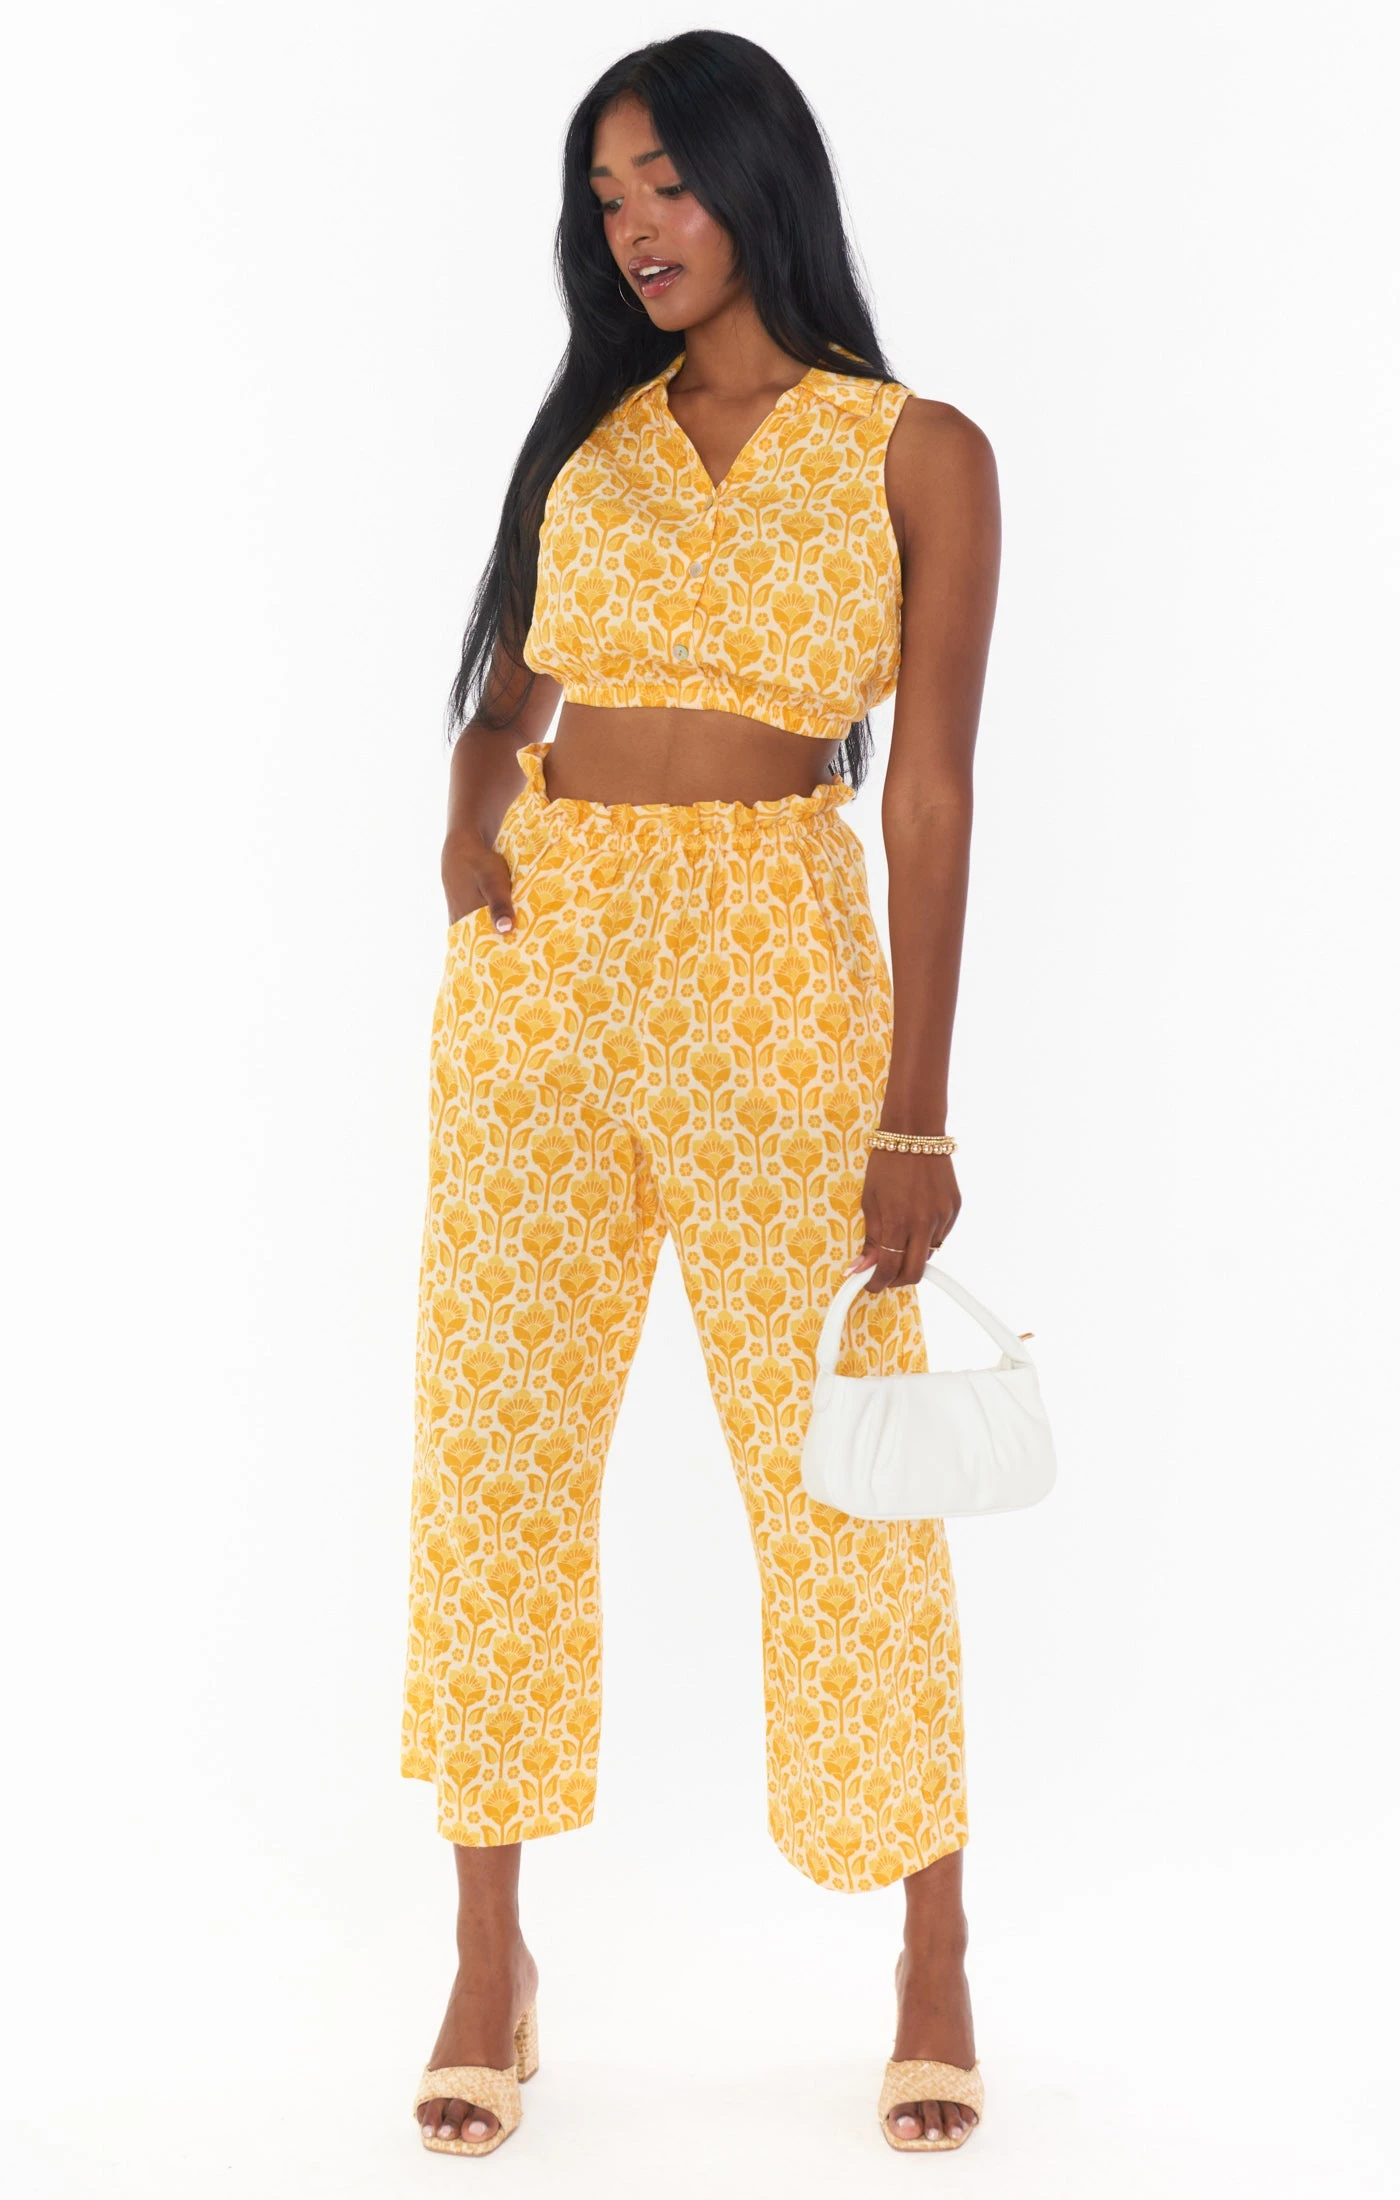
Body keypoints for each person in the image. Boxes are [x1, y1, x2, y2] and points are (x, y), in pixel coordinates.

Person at [401, 28, 1000, 2158]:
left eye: (664, 180)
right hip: (544, 983)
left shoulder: (915, 449)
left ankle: (930, 1945)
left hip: (776, 971)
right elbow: (511, 692)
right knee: (493, 1456)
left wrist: (914, 1113)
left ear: (756, 174)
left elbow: (927, 792)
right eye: (606, 195)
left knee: (841, 1473)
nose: (635, 225)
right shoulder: (591, 442)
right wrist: (470, 814)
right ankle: (489, 1954)